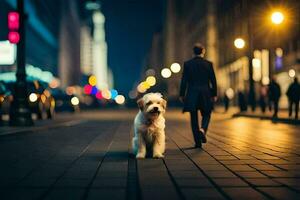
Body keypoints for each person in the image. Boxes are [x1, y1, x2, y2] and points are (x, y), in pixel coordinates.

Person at [179, 43, 217, 148]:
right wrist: (214, 94)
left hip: (192, 93)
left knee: (193, 117)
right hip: (205, 93)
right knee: (207, 113)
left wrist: (182, 94)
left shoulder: (187, 64)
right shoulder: (208, 64)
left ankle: (197, 142)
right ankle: (203, 129)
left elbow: (184, 80)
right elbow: (213, 80)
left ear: (193, 52)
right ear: (203, 51)